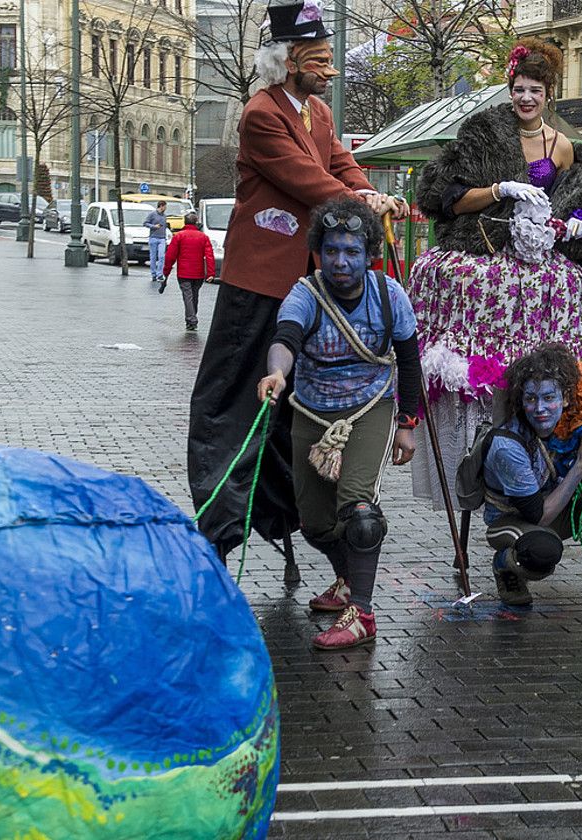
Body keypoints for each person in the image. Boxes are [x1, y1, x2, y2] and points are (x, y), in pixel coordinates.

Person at [188, 0, 404, 559]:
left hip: (304, 286)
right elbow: (310, 180)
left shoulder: (319, 114)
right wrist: (360, 198)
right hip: (257, 283)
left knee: (297, 407)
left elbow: (339, 164)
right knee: (235, 402)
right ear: (288, 60)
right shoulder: (261, 113)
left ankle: (296, 518)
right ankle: (218, 529)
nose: (329, 69)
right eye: (320, 58)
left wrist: (367, 190)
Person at [408, 37, 582, 511]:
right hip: (489, 247)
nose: (525, 98)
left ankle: (544, 437)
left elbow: (580, 205)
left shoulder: (563, 146)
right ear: (509, 88)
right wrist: (498, 188)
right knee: (462, 282)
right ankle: (484, 445)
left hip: (538, 259)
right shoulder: (483, 132)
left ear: (548, 94)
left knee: (567, 289)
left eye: (535, 90)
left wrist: (574, 217)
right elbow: (446, 195)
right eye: (518, 88)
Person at [256, 198, 422, 649]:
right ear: (319, 252)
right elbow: (286, 338)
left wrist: (407, 422)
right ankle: (347, 580)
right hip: (311, 410)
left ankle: (362, 614)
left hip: (370, 408)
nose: (341, 261)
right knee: (314, 524)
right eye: (331, 251)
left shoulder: (390, 295)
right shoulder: (305, 294)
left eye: (351, 251)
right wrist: (277, 372)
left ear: (369, 253)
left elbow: (409, 361)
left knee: (360, 515)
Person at [480, 344, 582, 606]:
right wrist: (581, 465)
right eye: (531, 399)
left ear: (566, 398)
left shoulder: (571, 419)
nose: (540, 408)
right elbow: (539, 515)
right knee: (541, 553)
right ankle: (504, 564)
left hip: (557, 504)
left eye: (549, 398)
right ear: (521, 401)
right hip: (514, 520)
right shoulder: (508, 446)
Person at [162, 210, 216, 331]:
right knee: (194, 295)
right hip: (199, 273)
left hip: (184, 272)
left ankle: (191, 319)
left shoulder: (179, 236)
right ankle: (192, 316)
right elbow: (209, 255)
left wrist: (166, 271)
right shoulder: (203, 237)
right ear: (196, 223)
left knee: (187, 296)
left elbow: (170, 256)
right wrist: (211, 273)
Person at [145, 200, 169, 285]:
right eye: (165, 206)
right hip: (153, 238)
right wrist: (153, 226)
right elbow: (145, 223)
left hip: (162, 238)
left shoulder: (164, 216)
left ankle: (159, 274)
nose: (166, 208)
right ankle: (153, 274)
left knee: (162, 256)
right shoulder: (152, 214)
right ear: (161, 206)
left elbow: (165, 226)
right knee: (153, 257)